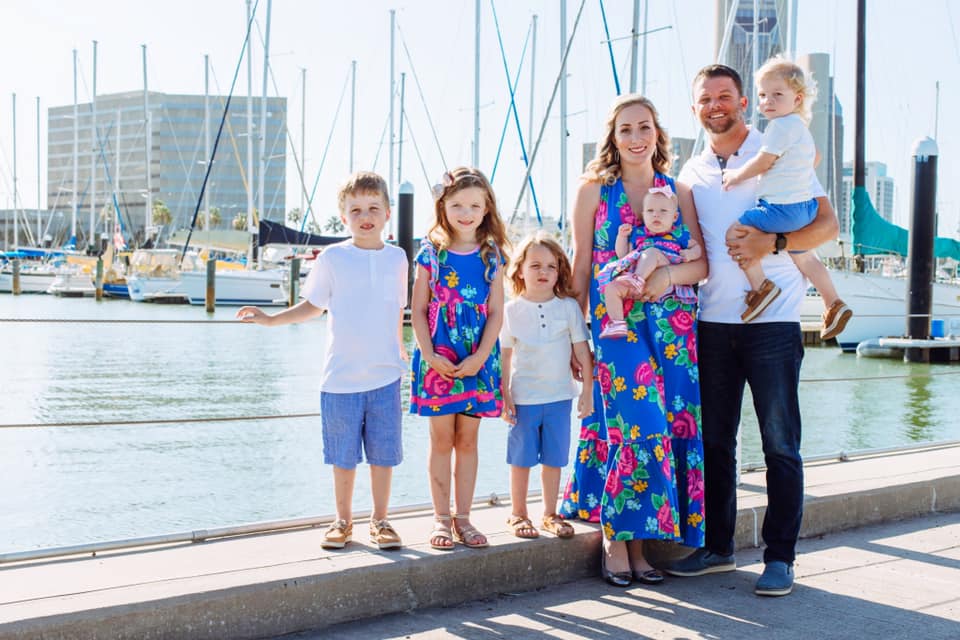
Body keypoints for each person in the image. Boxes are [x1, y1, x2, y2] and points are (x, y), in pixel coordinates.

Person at [665, 64, 839, 597]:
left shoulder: (779, 144)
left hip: (774, 322)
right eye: (705, 98)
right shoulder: (690, 171)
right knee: (715, 443)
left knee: (780, 445)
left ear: (744, 101)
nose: (715, 105)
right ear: (696, 106)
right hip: (712, 326)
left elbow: (828, 225)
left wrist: (776, 246)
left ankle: (780, 558)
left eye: (725, 96)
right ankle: (717, 548)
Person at [561, 94, 708, 588]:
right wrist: (573, 337)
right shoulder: (593, 191)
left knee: (660, 427)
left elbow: (702, 265)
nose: (637, 137)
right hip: (616, 328)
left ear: (658, 134)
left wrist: (666, 275)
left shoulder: (679, 191)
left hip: (672, 333)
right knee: (630, 425)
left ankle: (640, 546)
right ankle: (614, 539)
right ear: (613, 138)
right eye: (626, 129)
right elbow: (581, 269)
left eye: (645, 127)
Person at [236, 171, 408, 551]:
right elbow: (312, 306)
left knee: (383, 456)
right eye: (356, 209)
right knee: (343, 458)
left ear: (387, 213)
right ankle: (342, 521)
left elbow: (398, 309)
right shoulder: (333, 257)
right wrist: (270, 319)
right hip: (340, 379)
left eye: (373, 208)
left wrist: (401, 350)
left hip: (385, 377)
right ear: (344, 216)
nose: (366, 216)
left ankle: (380, 521)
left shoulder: (398, 258)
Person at [409, 166, 509, 551]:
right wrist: (429, 354)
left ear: (486, 210)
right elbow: (417, 309)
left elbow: (497, 312)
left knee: (467, 441)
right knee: (440, 440)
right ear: (443, 206)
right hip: (438, 357)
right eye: (456, 205)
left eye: (474, 206)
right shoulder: (430, 253)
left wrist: (482, 356)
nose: (465, 213)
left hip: (477, 359)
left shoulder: (491, 255)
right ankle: (439, 518)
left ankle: (463, 518)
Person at [722, 56, 852, 337]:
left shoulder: (779, 127)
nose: (767, 101)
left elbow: (763, 161)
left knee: (736, 233)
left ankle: (761, 288)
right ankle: (833, 302)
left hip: (781, 208)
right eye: (763, 95)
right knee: (805, 257)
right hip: (804, 207)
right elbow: (813, 158)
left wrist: (736, 176)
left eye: (777, 95)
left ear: (797, 99)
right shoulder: (800, 129)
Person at [500, 232, 593, 540]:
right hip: (524, 397)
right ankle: (518, 513)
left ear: (560, 271)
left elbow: (582, 351)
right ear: (519, 271)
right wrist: (504, 395)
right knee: (521, 458)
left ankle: (550, 514)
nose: (543, 272)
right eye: (535, 265)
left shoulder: (567, 308)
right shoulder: (510, 311)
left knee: (554, 458)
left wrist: (587, 393)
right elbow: (505, 357)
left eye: (551, 266)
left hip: (560, 397)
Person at [597, 185, 702, 339]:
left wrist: (690, 254)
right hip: (639, 277)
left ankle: (637, 280)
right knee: (611, 288)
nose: (656, 215)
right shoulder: (639, 234)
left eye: (663, 211)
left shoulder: (679, 233)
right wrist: (622, 237)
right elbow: (624, 254)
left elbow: (697, 247)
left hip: (665, 269)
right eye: (650, 211)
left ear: (674, 217)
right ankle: (617, 322)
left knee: (652, 253)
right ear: (643, 215)